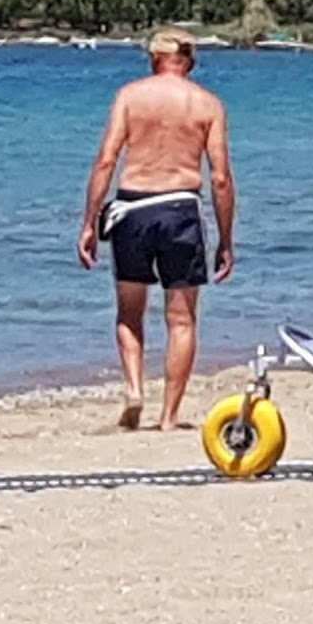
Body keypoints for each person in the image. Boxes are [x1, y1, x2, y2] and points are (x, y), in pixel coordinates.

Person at [77, 26, 236, 432]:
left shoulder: (130, 96)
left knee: (130, 312)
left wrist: (89, 222)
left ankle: (134, 388)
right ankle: (169, 416)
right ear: (191, 61)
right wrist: (225, 239)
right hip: (181, 209)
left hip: (133, 208)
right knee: (181, 319)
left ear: (154, 58)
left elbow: (106, 160)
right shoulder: (208, 104)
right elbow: (220, 178)